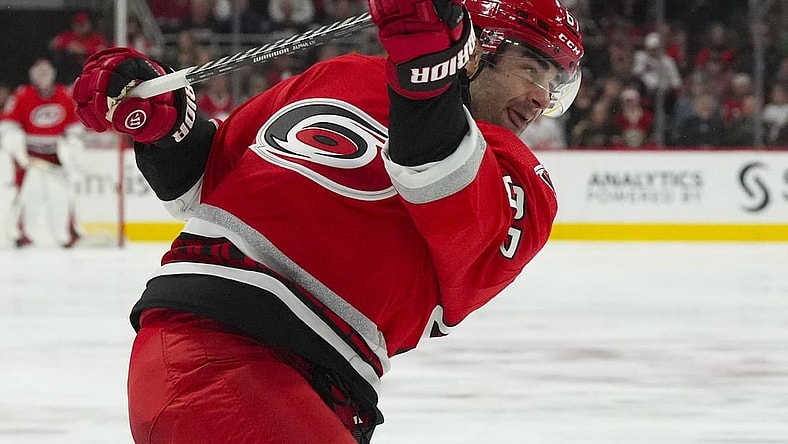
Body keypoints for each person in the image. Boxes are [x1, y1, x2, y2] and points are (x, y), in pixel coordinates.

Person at [71, 0, 584, 442]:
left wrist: (426, 73)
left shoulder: (525, 180)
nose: (542, 96)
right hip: (213, 349)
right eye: (531, 67)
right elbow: (211, 180)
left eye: (555, 82)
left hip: (313, 388)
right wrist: (165, 126)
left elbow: (438, 184)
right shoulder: (339, 75)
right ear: (479, 48)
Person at [0, 59, 84, 248]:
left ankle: (69, 231)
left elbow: (74, 127)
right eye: (39, 74)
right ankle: (21, 233)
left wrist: (71, 144)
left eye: (46, 73)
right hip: (29, 153)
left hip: (55, 153)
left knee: (64, 193)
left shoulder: (64, 95)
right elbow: (8, 124)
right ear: (33, 76)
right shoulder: (22, 95)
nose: (43, 77)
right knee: (24, 193)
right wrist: (15, 145)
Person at [48, 11, 108, 85]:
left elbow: (103, 52)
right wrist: (68, 46)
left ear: (90, 24)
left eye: (83, 24)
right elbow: (52, 44)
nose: (80, 27)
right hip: (71, 75)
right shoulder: (68, 36)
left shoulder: (96, 38)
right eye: (77, 24)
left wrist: (84, 49)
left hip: (92, 73)